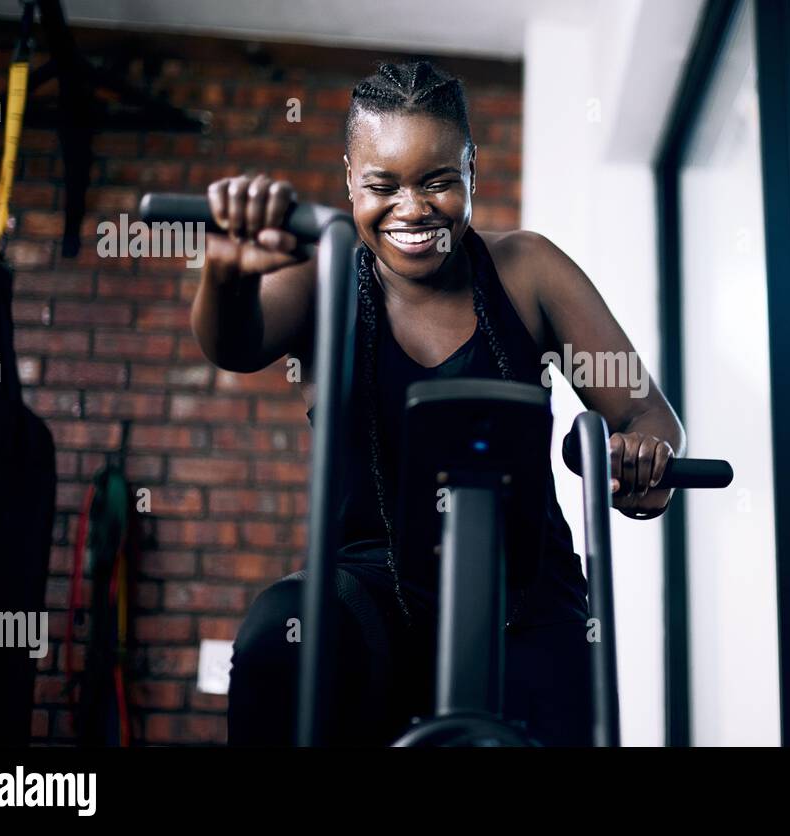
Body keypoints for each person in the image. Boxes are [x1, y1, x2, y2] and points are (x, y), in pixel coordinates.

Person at [191, 60, 685, 746]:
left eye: (438, 181)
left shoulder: (528, 269)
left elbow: (644, 413)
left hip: (526, 588)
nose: (412, 208)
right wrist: (225, 274)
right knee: (284, 635)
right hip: (369, 581)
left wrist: (641, 460)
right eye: (382, 185)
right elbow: (236, 344)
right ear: (349, 179)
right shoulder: (325, 276)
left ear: (472, 170)